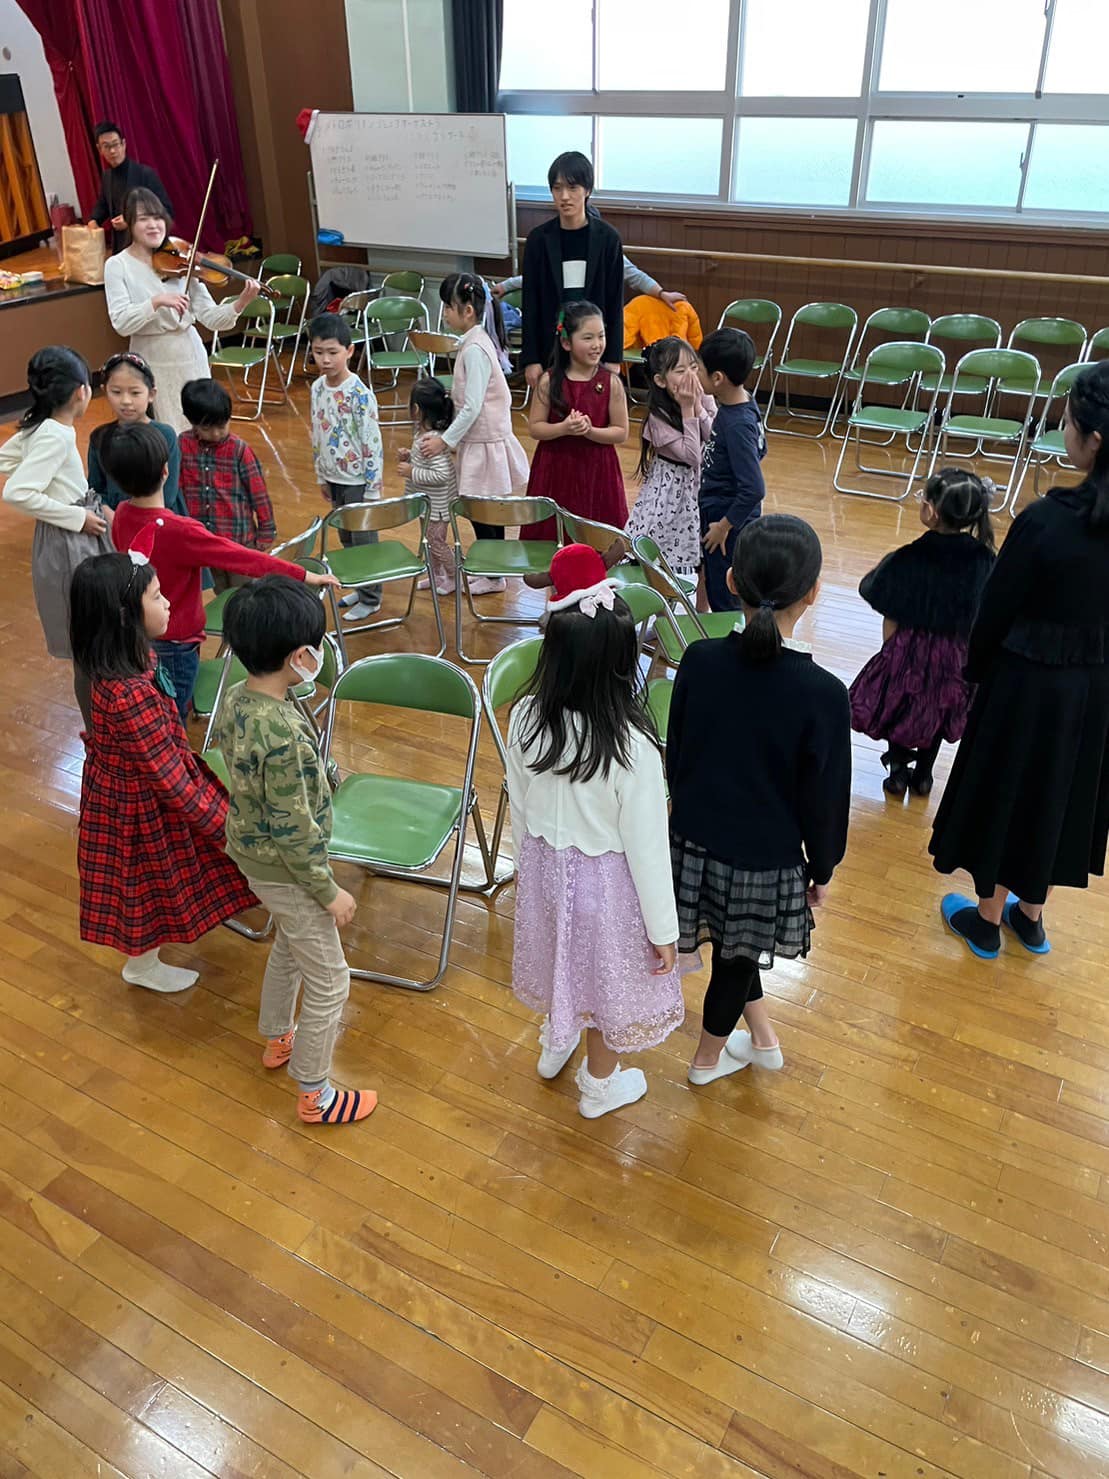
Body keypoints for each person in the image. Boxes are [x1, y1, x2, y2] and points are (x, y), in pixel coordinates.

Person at [931, 361, 1109, 962]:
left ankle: (986, 921)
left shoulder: (1047, 521)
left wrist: (975, 672)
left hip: (1026, 683)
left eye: (1070, 422)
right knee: (1063, 794)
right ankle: (1031, 917)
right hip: (1096, 689)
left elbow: (995, 610)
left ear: (1094, 440)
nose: (1065, 430)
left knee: (1007, 793)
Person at [667, 516, 851, 1084]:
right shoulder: (824, 694)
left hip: (693, 840)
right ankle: (705, 1061)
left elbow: (677, 755)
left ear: (731, 582)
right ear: (813, 592)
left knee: (735, 946)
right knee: (737, 955)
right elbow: (825, 800)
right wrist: (822, 866)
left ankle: (764, 1039)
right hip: (765, 859)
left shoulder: (699, 660)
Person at [506, 544, 683, 1119]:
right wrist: (664, 930)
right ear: (622, 662)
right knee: (609, 987)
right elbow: (649, 852)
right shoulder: (634, 749)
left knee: (560, 959)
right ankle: (598, 1087)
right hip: (607, 892)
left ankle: (555, 1041)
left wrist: (524, 866)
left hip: (544, 872)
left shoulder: (524, 717)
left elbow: (518, 803)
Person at [215, 576, 377, 1127]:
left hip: (253, 853)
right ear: (298, 657)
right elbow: (294, 829)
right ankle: (316, 1093)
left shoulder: (238, 699)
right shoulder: (282, 733)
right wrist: (328, 891)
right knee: (331, 981)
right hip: (288, 868)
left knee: (289, 944)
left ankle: (276, 1035)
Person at [70, 548, 256, 994]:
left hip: (138, 791)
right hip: (140, 806)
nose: (168, 602)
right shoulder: (128, 693)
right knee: (146, 885)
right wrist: (231, 828)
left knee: (159, 878)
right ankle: (142, 966)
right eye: (156, 596)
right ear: (125, 616)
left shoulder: (124, 660)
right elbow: (172, 781)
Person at [102, 422, 336, 724]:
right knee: (174, 714)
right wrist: (303, 575)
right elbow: (244, 558)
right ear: (166, 471)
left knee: (158, 707)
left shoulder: (122, 513)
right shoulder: (181, 530)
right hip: (177, 643)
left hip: (139, 634)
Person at [850, 469, 996, 799]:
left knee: (900, 706)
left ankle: (898, 773)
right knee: (939, 710)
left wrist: (890, 652)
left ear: (931, 511)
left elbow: (889, 609)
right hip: (956, 654)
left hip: (909, 649)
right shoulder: (985, 561)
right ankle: (925, 775)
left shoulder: (909, 557)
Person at [0, 346, 112, 725]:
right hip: (71, 542)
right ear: (82, 391)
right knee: (89, 640)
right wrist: (76, 517)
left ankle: (101, 724)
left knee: (91, 637)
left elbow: (6, 459)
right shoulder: (54, 435)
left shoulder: (43, 427)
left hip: (71, 533)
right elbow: (17, 491)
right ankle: (98, 729)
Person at [103, 188, 261, 434]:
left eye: (158, 217)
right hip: (152, 357)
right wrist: (156, 301)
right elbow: (121, 323)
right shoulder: (117, 265)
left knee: (201, 428)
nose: (153, 225)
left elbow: (211, 318)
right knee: (168, 432)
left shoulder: (181, 258)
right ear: (129, 223)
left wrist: (240, 303)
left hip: (190, 355)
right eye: (144, 219)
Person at [424, 272, 530, 583]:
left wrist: (444, 441)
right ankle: (491, 573)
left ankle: (493, 576)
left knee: (484, 512)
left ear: (467, 310)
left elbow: (472, 406)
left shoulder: (475, 349)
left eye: (448, 306)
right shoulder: (474, 342)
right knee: (483, 511)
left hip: (485, 442)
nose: (445, 312)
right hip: (481, 440)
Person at [522, 300, 629, 542]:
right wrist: (564, 428)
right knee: (552, 536)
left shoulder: (611, 382)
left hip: (598, 469)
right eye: (588, 338)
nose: (597, 344)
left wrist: (590, 431)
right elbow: (535, 428)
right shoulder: (549, 381)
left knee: (598, 538)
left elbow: (621, 432)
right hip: (555, 467)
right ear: (566, 343)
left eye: (601, 336)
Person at [519, 152, 624, 391]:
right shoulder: (539, 239)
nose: (564, 196)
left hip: (593, 347)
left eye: (573, 188)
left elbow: (615, 300)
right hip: (551, 345)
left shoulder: (608, 239)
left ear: (587, 190)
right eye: (557, 188)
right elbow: (530, 302)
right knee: (553, 409)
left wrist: (614, 357)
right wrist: (531, 359)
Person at [308, 312, 383, 624]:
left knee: (363, 539)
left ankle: (372, 597)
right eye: (318, 352)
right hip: (333, 476)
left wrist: (373, 488)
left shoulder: (359, 393)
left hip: (357, 480)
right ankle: (359, 586)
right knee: (346, 538)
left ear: (349, 351)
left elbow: (372, 443)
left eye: (332, 352)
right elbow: (317, 432)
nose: (325, 360)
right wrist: (321, 475)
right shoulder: (317, 388)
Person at [625, 336, 715, 577]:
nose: (690, 376)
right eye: (680, 371)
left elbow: (714, 436)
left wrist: (698, 406)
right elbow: (692, 456)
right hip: (668, 495)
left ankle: (696, 601)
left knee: (701, 553)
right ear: (660, 380)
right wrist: (688, 409)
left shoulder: (702, 396)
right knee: (652, 548)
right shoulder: (658, 417)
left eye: (694, 367)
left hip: (697, 488)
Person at [178, 378, 275, 592]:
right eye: (207, 428)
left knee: (247, 593)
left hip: (239, 541)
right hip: (205, 543)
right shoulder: (182, 445)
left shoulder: (239, 450)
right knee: (221, 593)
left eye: (221, 426)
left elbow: (258, 494)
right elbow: (179, 490)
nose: (216, 434)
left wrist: (266, 531)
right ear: (191, 421)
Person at [697, 327, 767, 613]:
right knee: (720, 587)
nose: (695, 374)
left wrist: (724, 526)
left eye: (698, 369)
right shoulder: (742, 401)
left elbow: (754, 488)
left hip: (726, 524)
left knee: (725, 596)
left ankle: (730, 638)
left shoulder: (738, 424)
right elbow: (761, 450)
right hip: (723, 512)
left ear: (717, 378)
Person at [87, 351, 186, 515]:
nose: (126, 401)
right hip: (113, 520)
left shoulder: (165, 434)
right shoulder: (100, 437)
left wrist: (130, 518)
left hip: (159, 519)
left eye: (135, 393)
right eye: (116, 392)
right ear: (105, 391)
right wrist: (107, 512)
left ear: (151, 394)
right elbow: (95, 488)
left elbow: (168, 495)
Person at [398, 376, 457, 596]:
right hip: (428, 503)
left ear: (416, 409)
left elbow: (441, 474)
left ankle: (453, 576)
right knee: (429, 541)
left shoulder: (428, 441)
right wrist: (409, 457)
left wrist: (412, 471)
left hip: (438, 506)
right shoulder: (423, 436)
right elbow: (426, 464)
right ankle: (436, 575)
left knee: (436, 542)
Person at [86, 121, 173, 254]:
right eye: (106, 146)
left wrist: (131, 220)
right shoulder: (107, 176)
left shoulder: (145, 174)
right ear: (99, 149)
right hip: (121, 247)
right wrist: (93, 220)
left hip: (147, 246)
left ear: (123, 144)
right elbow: (103, 205)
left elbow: (166, 210)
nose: (112, 151)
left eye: (115, 144)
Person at [495, 256, 686, 311]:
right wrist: (505, 286)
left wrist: (662, 293)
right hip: (566, 317)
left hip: (598, 319)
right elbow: (536, 277)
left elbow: (636, 277)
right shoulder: (565, 253)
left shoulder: (609, 251)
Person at [623, 294, 704, 354]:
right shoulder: (684, 306)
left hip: (648, 359)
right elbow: (696, 342)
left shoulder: (638, 304)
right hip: (679, 358)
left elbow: (623, 339)